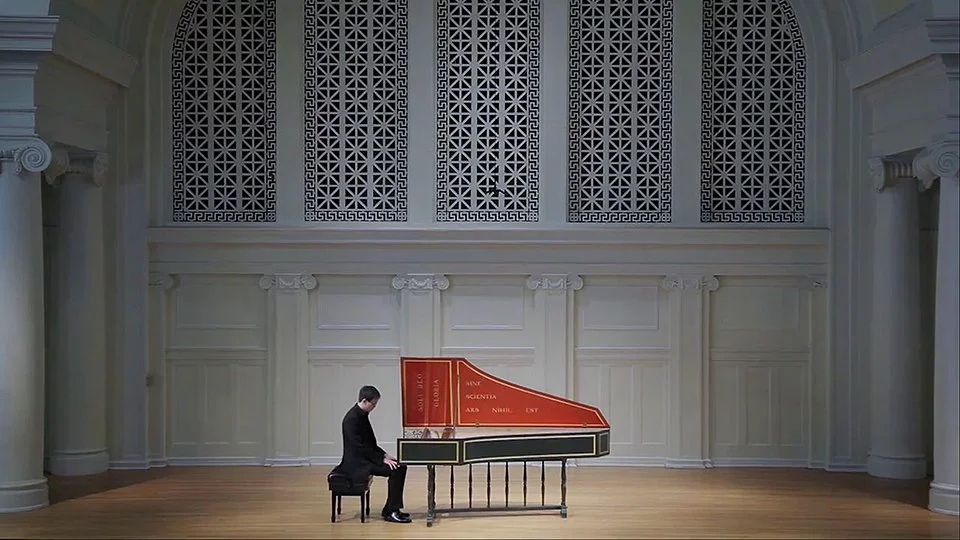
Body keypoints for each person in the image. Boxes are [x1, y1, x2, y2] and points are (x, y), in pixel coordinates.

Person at [333, 385, 411, 523]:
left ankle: (391, 509)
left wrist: (384, 455)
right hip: (357, 463)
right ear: (364, 401)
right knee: (397, 470)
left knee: (400, 466)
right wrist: (381, 460)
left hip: (365, 458)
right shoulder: (352, 419)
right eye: (373, 404)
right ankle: (391, 512)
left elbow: (370, 443)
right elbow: (359, 448)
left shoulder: (361, 415)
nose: (374, 407)